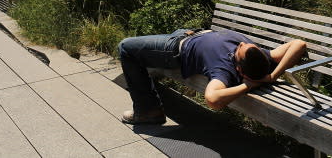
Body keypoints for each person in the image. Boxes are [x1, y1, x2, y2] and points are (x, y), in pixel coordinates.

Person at [118, 28, 307, 124]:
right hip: (189, 33)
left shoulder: (224, 70)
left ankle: (148, 111)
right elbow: (299, 44)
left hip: (176, 49)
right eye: (246, 45)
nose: (241, 44)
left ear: (239, 70)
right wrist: (272, 76)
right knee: (165, 35)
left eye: (239, 49)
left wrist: (248, 85)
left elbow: (213, 99)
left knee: (126, 47)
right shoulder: (263, 57)